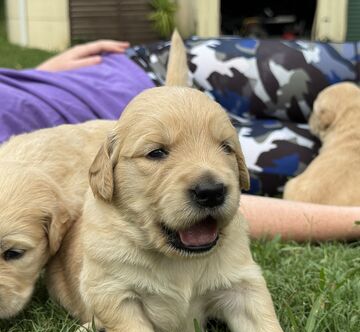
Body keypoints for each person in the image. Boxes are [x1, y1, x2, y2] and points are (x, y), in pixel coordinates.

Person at [0, 40, 359, 242]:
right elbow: (211, 197)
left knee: (338, 62)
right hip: (159, 146)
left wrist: (37, 75)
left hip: (135, 67)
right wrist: (351, 220)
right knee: (330, 144)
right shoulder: (19, 182)